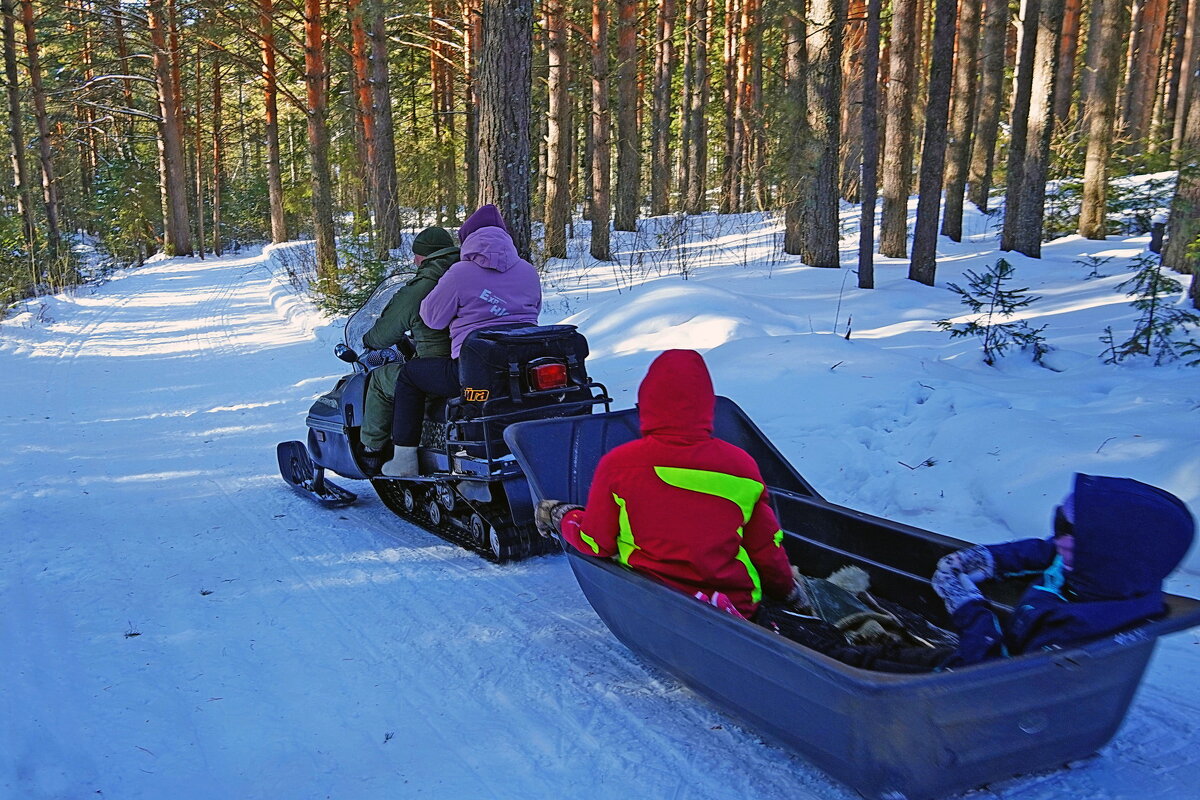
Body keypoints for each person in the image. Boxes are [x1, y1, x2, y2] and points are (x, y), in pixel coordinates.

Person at [536, 349, 797, 619]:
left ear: (647, 402)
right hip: (735, 604)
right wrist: (788, 592)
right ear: (706, 405)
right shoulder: (741, 465)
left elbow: (596, 542)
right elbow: (765, 548)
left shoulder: (619, 464)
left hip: (654, 600)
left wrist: (564, 516)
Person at [932, 473, 1195, 665]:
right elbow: (1047, 551)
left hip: (996, 686)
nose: (1055, 536)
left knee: (902, 661)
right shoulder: (1112, 572)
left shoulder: (1074, 631)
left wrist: (968, 608)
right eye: (1058, 519)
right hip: (1008, 652)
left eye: (1063, 527)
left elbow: (989, 675)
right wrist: (990, 559)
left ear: (1101, 549)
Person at [380, 204, 541, 476]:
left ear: (468, 241)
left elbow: (432, 318)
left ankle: (404, 459)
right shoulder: (527, 270)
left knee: (410, 374)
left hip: (472, 371)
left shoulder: (460, 272)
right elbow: (534, 311)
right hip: (520, 364)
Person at [360, 226, 459, 460]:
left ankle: (372, 450)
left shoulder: (422, 287)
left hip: (436, 369)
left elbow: (385, 333)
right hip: (471, 362)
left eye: (416, 255)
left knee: (380, 380)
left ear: (424, 257)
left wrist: (369, 340)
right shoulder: (468, 275)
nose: (414, 261)